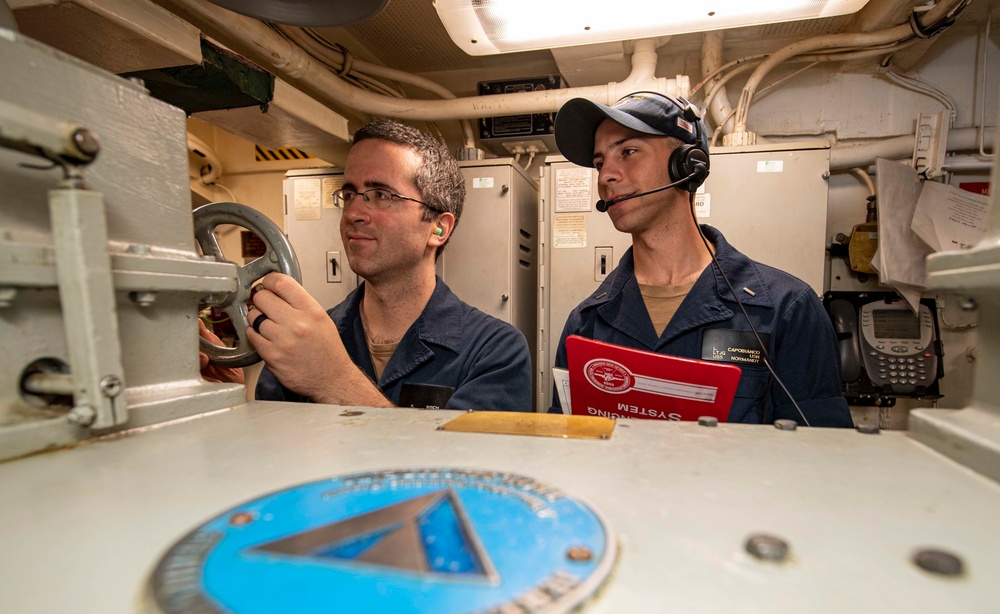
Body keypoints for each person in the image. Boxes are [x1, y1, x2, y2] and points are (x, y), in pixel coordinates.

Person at [549, 91, 853, 427]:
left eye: (628, 152)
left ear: (687, 164)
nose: (606, 175)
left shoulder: (787, 309)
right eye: (599, 162)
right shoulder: (586, 324)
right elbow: (568, 449)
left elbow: (820, 458)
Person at [203, 119, 532, 412]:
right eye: (350, 195)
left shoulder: (495, 351)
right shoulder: (304, 337)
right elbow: (275, 460)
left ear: (438, 228)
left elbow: (466, 474)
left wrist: (335, 381)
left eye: (381, 195)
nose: (353, 214)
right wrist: (230, 407)